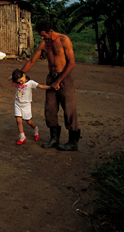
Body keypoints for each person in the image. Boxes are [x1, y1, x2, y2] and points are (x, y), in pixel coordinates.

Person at [19, 20, 81, 151]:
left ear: (50, 31)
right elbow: (31, 61)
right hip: (51, 79)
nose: (41, 38)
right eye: (40, 35)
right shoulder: (43, 44)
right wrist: (18, 75)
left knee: (69, 110)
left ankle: (73, 142)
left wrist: (58, 81)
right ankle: (54, 139)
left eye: (43, 35)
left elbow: (72, 63)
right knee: (50, 110)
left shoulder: (64, 40)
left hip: (65, 78)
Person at [11, 69, 50, 145]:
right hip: (17, 104)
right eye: (19, 81)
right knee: (18, 121)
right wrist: (15, 78)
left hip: (26, 105)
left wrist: (51, 87)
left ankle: (36, 129)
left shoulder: (31, 83)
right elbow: (9, 79)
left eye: (21, 80)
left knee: (29, 121)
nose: (20, 83)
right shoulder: (17, 82)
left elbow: (41, 86)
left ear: (24, 75)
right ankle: (22, 137)